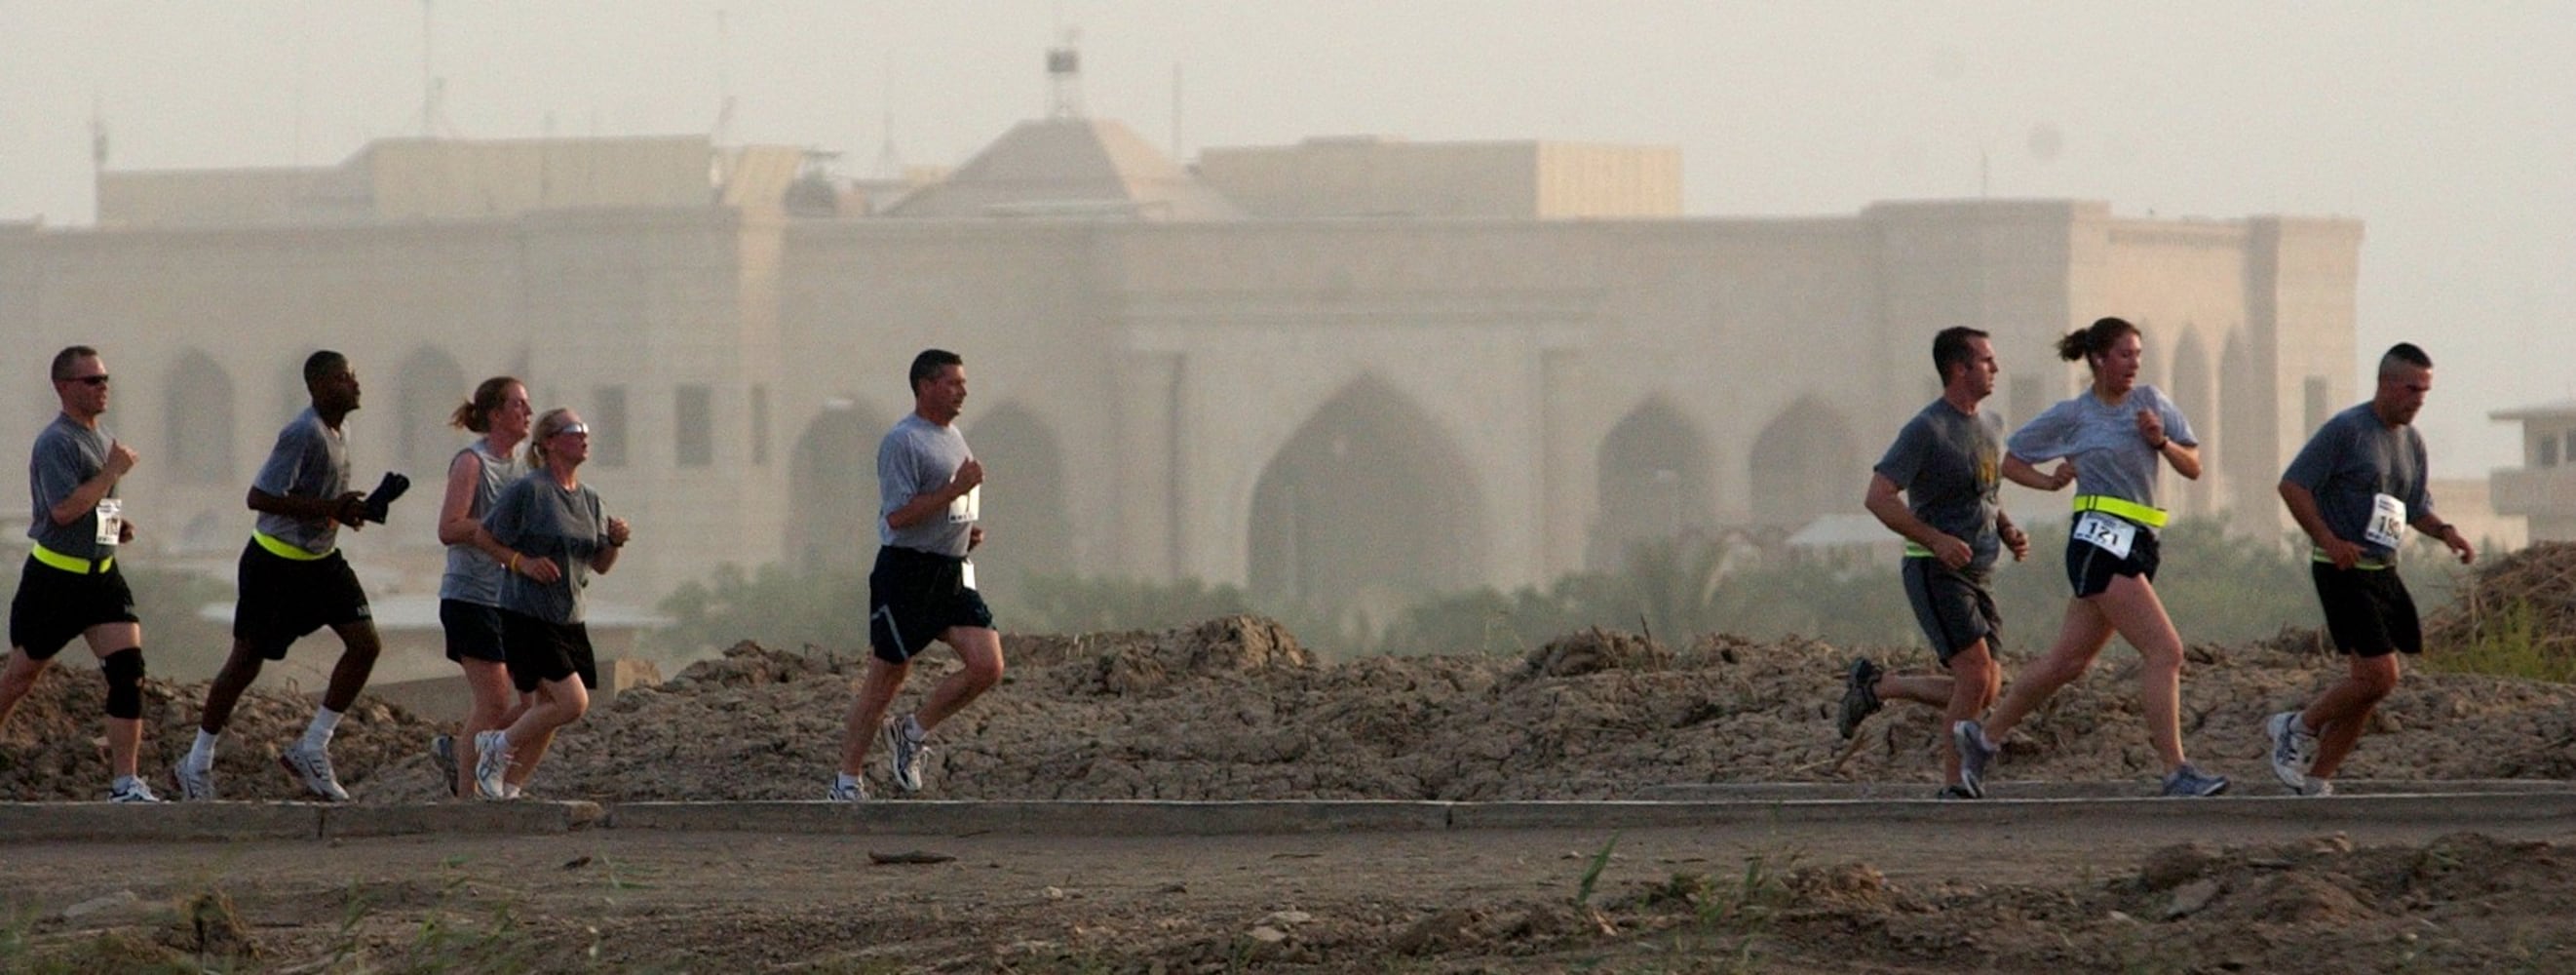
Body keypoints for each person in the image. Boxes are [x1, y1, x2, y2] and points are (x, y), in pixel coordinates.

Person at [1953, 317, 2230, 798]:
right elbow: (2009, 458)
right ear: (2099, 359)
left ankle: (1983, 738)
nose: (2133, 365)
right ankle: (2176, 770)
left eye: (2138, 356)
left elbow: (2194, 465)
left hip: (2141, 540)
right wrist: (2049, 482)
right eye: (2125, 355)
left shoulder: (2152, 404)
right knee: (2166, 651)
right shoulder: (2074, 415)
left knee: (2067, 662)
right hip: (2098, 541)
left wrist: (2161, 442)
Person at [175, 350, 395, 801]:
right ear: (316, 387)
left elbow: (318, 499)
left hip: (321, 561)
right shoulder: (301, 433)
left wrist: (347, 511)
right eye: (342, 379)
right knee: (245, 663)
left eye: (353, 377)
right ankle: (196, 761)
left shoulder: (342, 431)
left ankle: (312, 747)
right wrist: (329, 508)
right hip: (275, 564)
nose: (354, 385)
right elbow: (260, 497)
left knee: (365, 645)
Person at [2268, 343, 2474, 797]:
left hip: (2384, 569)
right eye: (2411, 388)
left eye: (2425, 391)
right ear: (2385, 383)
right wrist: (2328, 539)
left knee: (2371, 686)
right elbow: (2293, 486)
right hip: (2342, 568)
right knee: (2381, 675)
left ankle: (2318, 779)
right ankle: (2297, 726)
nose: (2418, 399)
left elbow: (2415, 506)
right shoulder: (2346, 431)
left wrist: (2447, 533)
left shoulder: (2411, 441)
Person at [1841, 328, 2029, 799]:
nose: (1995, 368)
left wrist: (2005, 528)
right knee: (1973, 676)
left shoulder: (1992, 425)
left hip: (1979, 570)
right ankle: (1955, 783)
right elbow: (1879, 497)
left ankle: (1878, 686)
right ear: (1959, 369)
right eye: (1986, 360)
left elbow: (1982, 493)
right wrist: (1935, 539)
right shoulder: (1926, 429)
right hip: (1933, 567)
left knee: (1986, 688)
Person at [831, 348, 1003, 801]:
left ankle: (911, 731)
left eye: (963, 383)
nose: (962, 390)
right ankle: (847, 780)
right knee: (886, 678)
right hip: (906, 572)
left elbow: (945, 509)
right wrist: (954, 491)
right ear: (925, 386)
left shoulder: (954, 437)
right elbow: (899, 517)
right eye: (953, 383)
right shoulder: (902, 441)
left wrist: (963, 534)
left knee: (987, 665)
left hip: (951, 570)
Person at [0, 347, 161, 802]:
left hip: (102, 578)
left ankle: (126, 783)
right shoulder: (56, 442)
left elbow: (100, 504)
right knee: (19, 679)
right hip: (55, 581)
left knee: (128, 671)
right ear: (64, 387)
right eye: (91, 380)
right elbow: (65, 510)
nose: (102, 386)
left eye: (105, 377)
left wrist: (113, 531)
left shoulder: (102, 437)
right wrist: (111, 470)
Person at [471, 408, 630, 800]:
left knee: (548, 708)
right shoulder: (530, 491)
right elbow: (485, 537)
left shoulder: (590, 500)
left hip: (569, 616)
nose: (584, 436)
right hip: (526, 613)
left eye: (586, 429)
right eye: (575, 430)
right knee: (572, 702)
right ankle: (496, 745)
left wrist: (615, 542)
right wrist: (521, 562)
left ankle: (509, 790)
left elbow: (600, 564)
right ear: (549, 442)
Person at [428, 377, 536, 799]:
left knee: (533, 707)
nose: (526, 413)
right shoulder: (473, 463)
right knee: (492, 702)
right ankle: (467, 800)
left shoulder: (525, 467)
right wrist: (494, 528)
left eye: (528, 407)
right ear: (495, 414)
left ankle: (462, 755)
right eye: (518, 405)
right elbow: (449, 528)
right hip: (470, 596)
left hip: (511, 599)